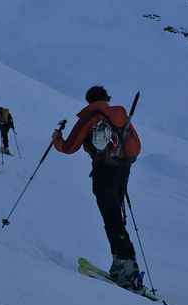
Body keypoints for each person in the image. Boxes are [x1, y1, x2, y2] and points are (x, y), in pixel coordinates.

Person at [51, 85, 144, 290]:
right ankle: (123, 264)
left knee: (111, 218)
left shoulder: (91, 116)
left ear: (89, 100)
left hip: (104, 172)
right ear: (106, 98)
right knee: (115, 218)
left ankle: (127, 268)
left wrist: (56, 139)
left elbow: (69, 147)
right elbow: (135, 145)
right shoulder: (119, 114)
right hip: (123, 170)